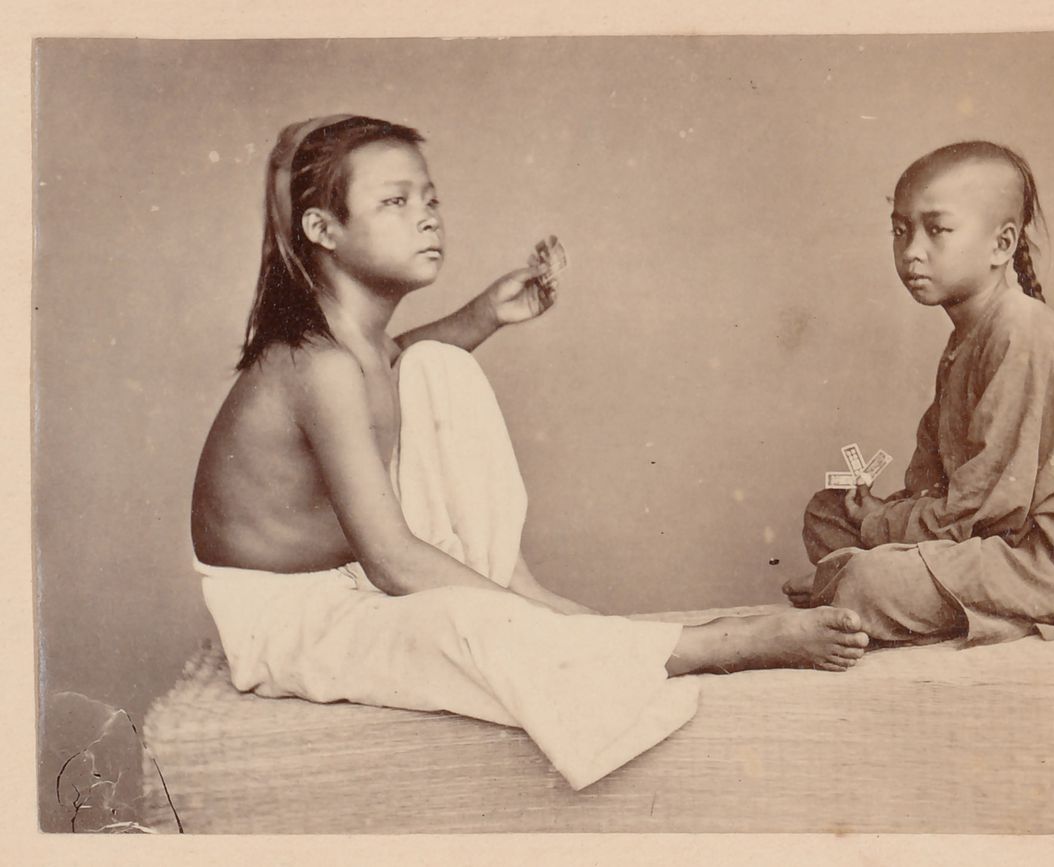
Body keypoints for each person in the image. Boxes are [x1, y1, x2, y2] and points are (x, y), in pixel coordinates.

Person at [189, 114, 868, 789]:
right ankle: (714, 643)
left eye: (430, 199)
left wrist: (485, 314)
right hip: (291, 621)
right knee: (459, 626)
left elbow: (396, 363)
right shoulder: (316, 365)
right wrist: (526, 623)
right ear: (322, 230)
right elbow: (394, 562)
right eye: (395, 202)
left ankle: (522, 590)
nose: (426, 217)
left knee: (435, 365)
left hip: (352, 581)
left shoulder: (355, 348)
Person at [784, 141, 1054, 646]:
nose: (911, 251)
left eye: (937, 230)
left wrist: (883, 526)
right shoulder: (965, 339)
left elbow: (986, 510)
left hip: (1043, 564)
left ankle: (852, 587)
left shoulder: (1019, 331)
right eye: (900, 231)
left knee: (868, 580)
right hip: (986, 541)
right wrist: (878, 514)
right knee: (827, 511)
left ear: (1001, 244)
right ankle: (857, 586)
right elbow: (935, 481)